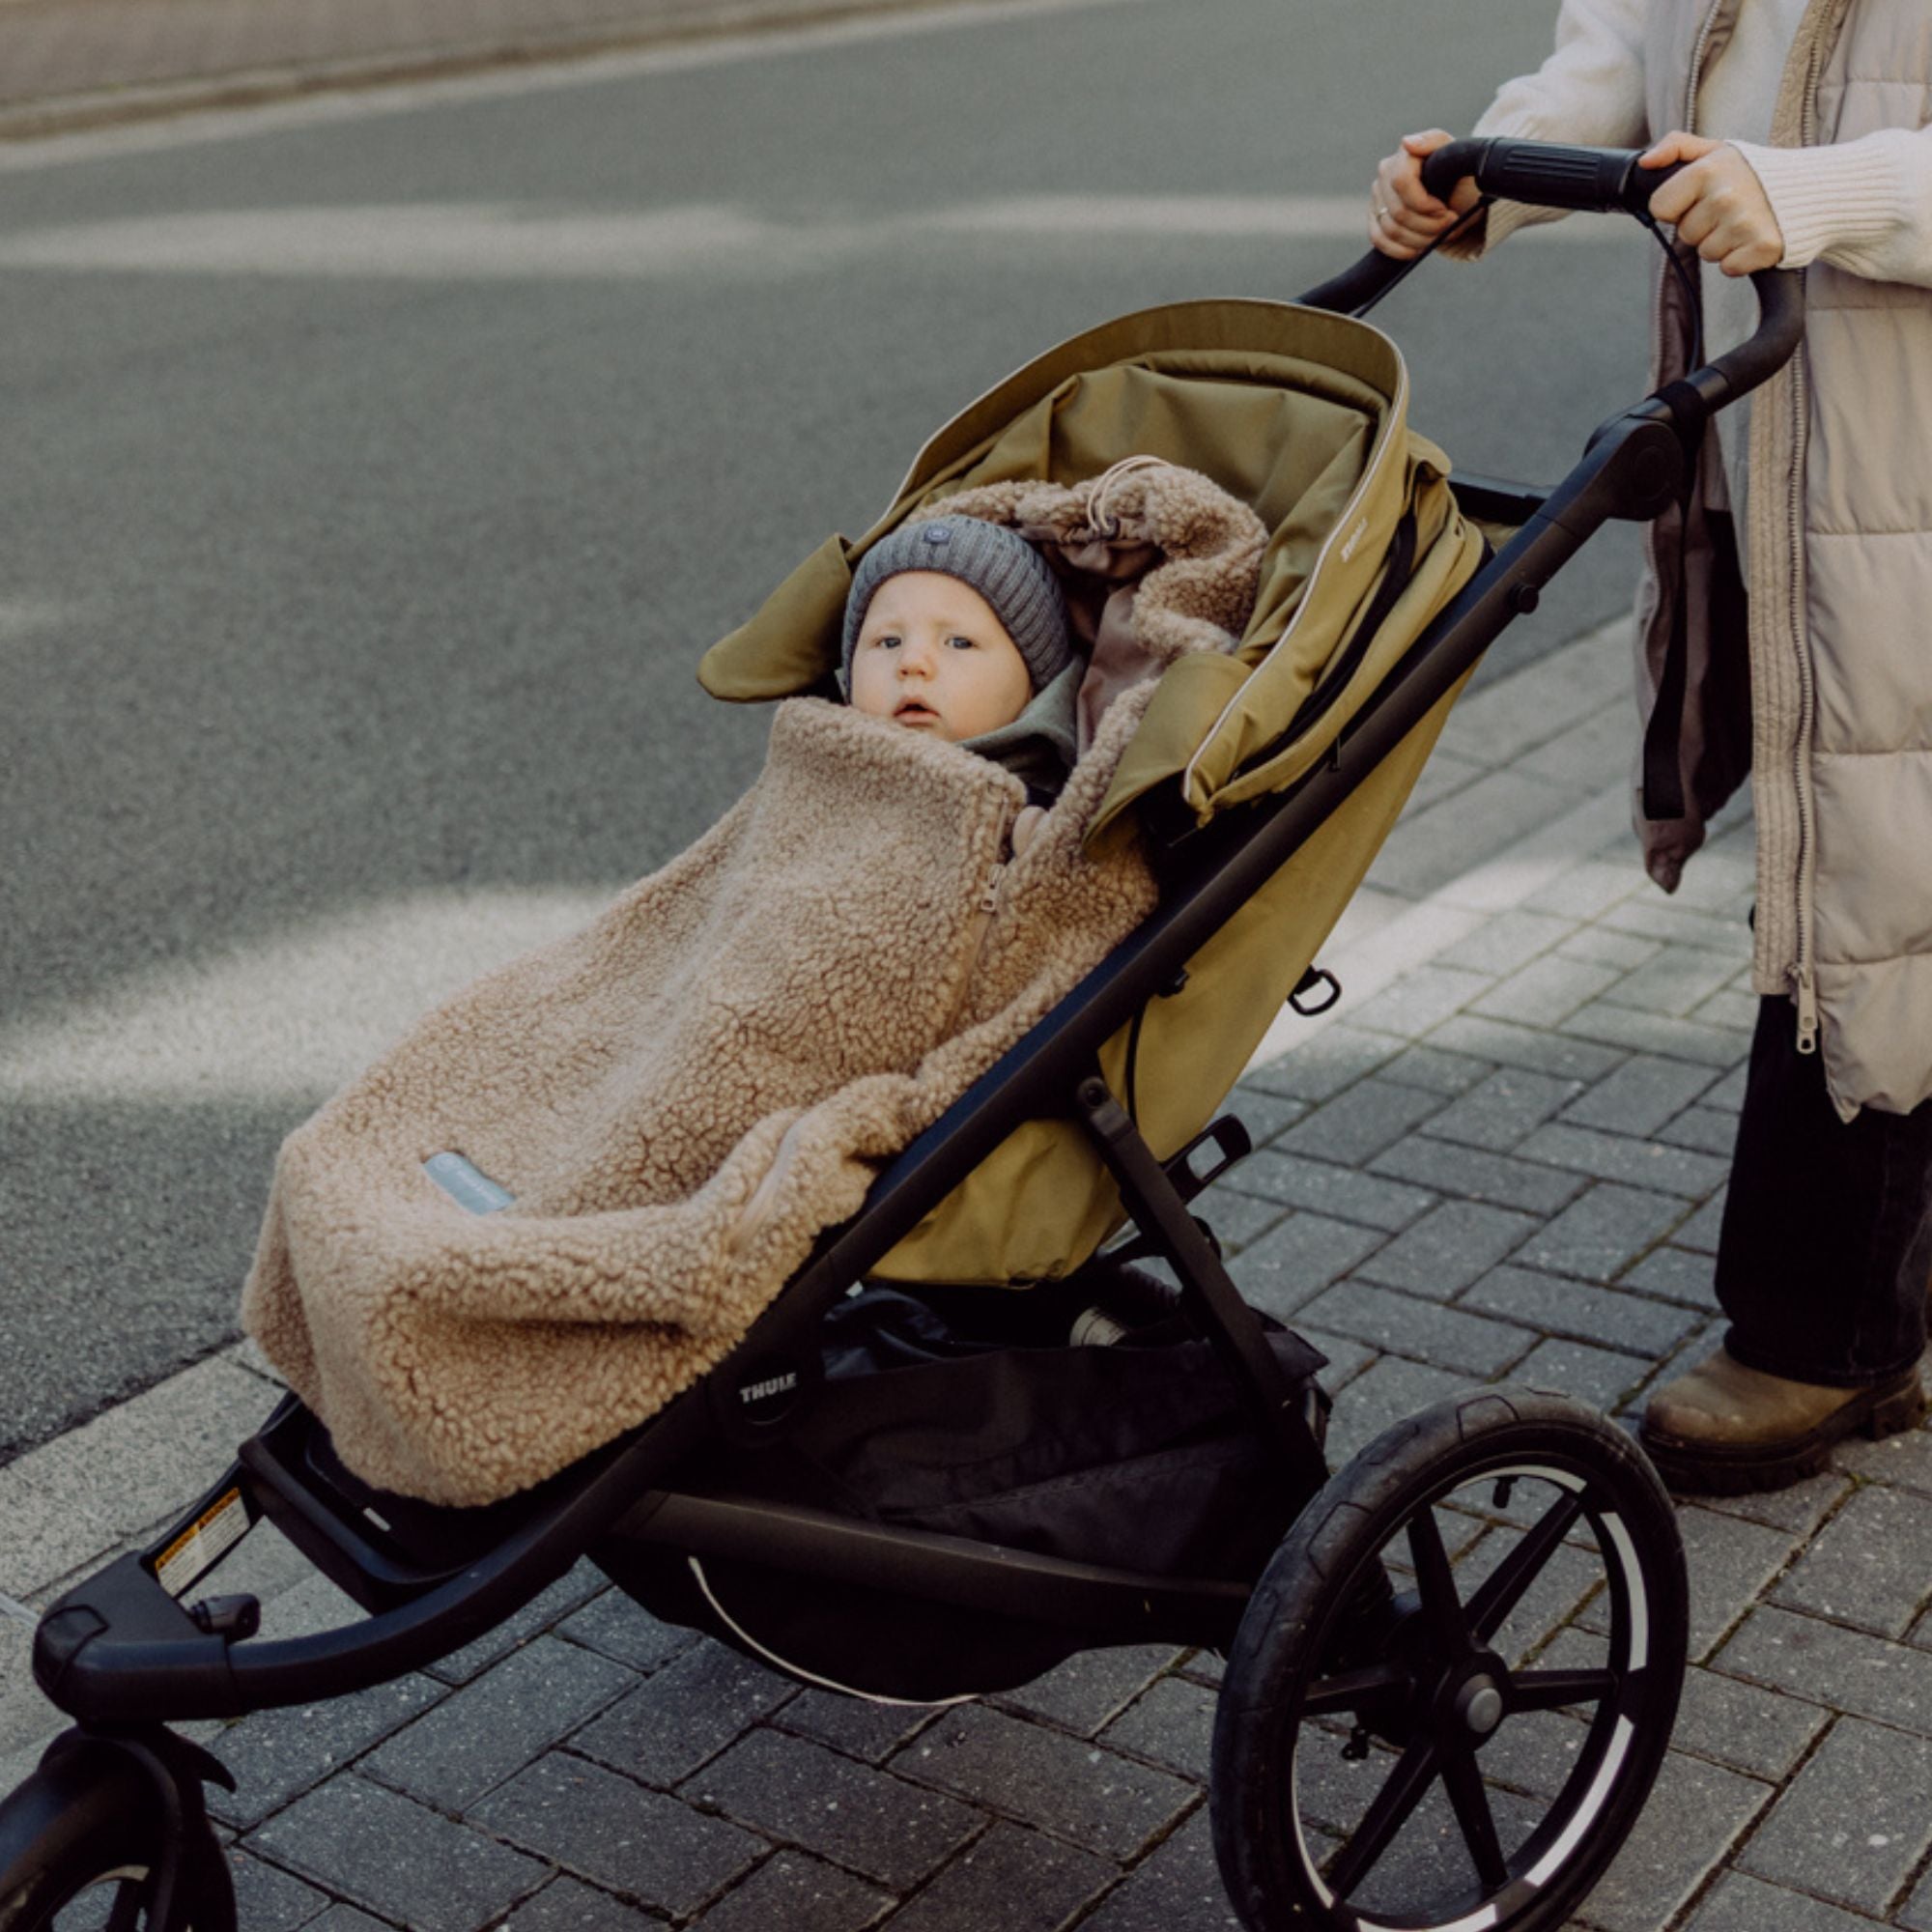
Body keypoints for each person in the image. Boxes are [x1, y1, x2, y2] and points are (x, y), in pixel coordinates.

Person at [1368, 0, 1932, 1494]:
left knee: (1877, 878)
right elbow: (1616, 53)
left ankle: (1828, 1338)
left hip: (1902, 456)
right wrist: (1489, 165)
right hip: (1796, 445)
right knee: (1861, 851)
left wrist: (1814, 189)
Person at [841, 516, 1080, 802]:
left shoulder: (1058, 824)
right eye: (889, 641)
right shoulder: (809, 779)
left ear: (1035, 688)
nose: (912, 662)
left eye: (959, 643)